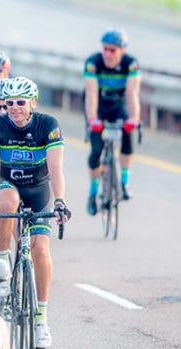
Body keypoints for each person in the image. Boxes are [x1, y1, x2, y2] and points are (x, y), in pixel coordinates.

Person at [0, 77, 70, 349]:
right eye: (9, 103)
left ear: (33, 103)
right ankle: (3, 262)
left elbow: (56, 169)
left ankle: (41, 319)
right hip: (7, 185)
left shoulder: (48, 125)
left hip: (38, 190)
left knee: (40, 250)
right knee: (7, 199)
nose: (14, 108)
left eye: (20, 102)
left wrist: (60, 201)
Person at [84, 28, 141, 213]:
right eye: (105, 49)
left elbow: (132, 93)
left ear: (122, 50)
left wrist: (134, 118)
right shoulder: (93, 63)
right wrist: (92, 119)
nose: (108, 54)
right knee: (96, 150)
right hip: (98, 107)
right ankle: (93, 192)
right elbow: (91, 93)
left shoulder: (131, 64)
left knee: (128, 136)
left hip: (118, 105)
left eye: (112, 50)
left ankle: (124, 182)